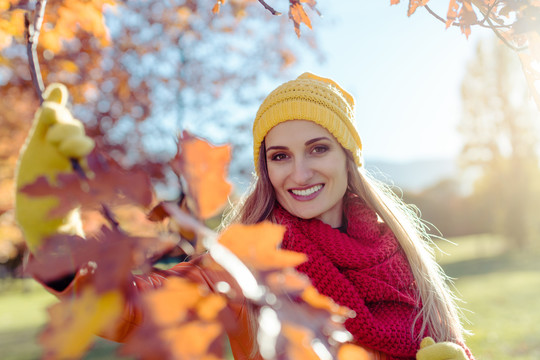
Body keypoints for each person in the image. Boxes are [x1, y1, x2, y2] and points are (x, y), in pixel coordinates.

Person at [15, 75, 473, 360]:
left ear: (348, 157)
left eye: (318, 148)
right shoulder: (245, 262)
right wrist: (51, 228)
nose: (299, 172)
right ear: (265, 169)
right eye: (279, 156)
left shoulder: (398, 255)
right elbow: (139, 308)